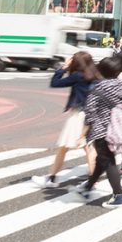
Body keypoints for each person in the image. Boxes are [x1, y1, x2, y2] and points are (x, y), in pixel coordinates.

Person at [70, 56, 122, 208]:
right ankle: (87, 188)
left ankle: (119, 196)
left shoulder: (97, 88)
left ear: (101, 71)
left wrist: (82, 134)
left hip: (102, 131)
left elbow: (90, 114)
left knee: (108, 162)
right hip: (120, 130)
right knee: (102, 160)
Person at [32, 51, 99, 188]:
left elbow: (55, 83)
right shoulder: (95, 75)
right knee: (82, 147)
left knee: (81, 147)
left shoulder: (78, 76)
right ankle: (52, 177)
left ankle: (90, 180)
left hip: (78, 115)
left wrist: (63, 67)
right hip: (91, 114)